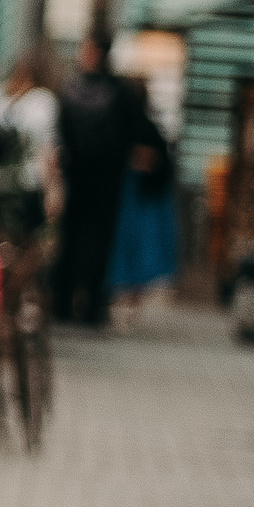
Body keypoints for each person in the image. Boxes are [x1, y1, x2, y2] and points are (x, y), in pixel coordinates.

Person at [52, 34, 144, 327]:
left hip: (94, 178)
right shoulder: (116, 91)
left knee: (86, 240)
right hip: (94, 178)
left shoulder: (75, 89)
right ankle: (77, 304)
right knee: (84, 240)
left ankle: (77, 303)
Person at [105, 77, 177, 327]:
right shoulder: (146, 127)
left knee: (127, 248)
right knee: (132, 250)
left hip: (134, 197)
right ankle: (126, 299)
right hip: (139, 197)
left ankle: (123, 298)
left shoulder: (127, 127)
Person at [0, 50, 59, 245]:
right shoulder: (40, 102)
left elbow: (47, 150)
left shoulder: (0, 97)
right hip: (14, 184)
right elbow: (48, 150)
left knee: (12, 240)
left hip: (10, 184)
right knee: (15, 241)